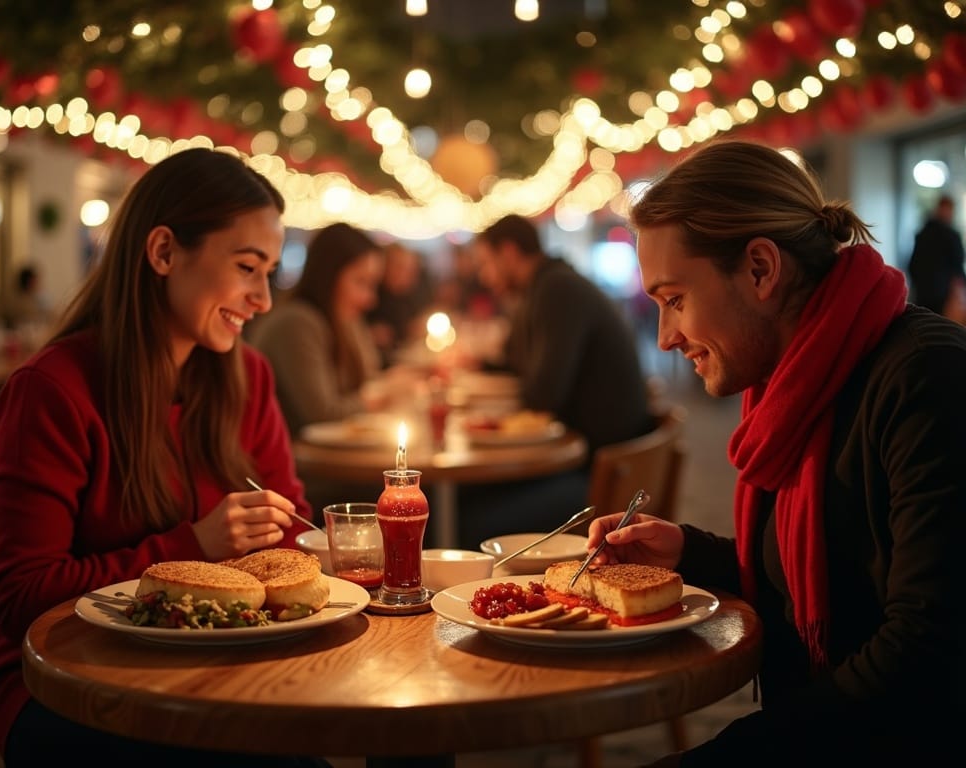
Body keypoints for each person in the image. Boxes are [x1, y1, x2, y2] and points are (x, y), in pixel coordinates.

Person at [585, 139, 964, 766]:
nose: (666, 336)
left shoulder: (924, 376)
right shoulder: (792, 385)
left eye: (675, 300)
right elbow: (831, 568)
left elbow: (925, 654)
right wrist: (690, 552)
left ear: (760, 269)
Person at [0, 147, 328, 767]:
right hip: (70, 686)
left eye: (270, 272)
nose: (264, 299)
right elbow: (20, 597)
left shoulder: (246, 377)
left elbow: (293, 528)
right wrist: (193, 546)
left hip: (213, 668)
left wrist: (314, 550)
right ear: (164, 252)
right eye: (248, 268)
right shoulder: (54, 390)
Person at [456, 214, 655, 547]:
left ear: (508, 253)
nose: (484, 276)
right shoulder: (544, 286)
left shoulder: (557, 289)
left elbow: (542, 394)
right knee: (461, 496)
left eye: (486, 263)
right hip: (591, 459)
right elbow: (517, 364)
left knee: (464, 518)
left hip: (598, 477)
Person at [249, 222, 384, 435]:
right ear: (328, 275)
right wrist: (385, 394)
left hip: (324, 459)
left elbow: (368, 377)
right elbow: (323, 415)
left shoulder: (343, 320)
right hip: (295, 460)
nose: (370, 299)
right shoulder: (297, 322)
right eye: (361, 282)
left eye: (372, 285)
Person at [366, 241, 435, 366]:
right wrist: (368, 334)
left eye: (410, 270)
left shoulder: (407, 296)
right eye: (399, 267)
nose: (406, 275)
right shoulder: (371, 296)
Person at [907, 194, 966, 322]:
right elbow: (958, 267)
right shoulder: (952, 235)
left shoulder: (922, 233)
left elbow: (912, 265)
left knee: (924, 327)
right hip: (943, 295)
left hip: (922, 293)